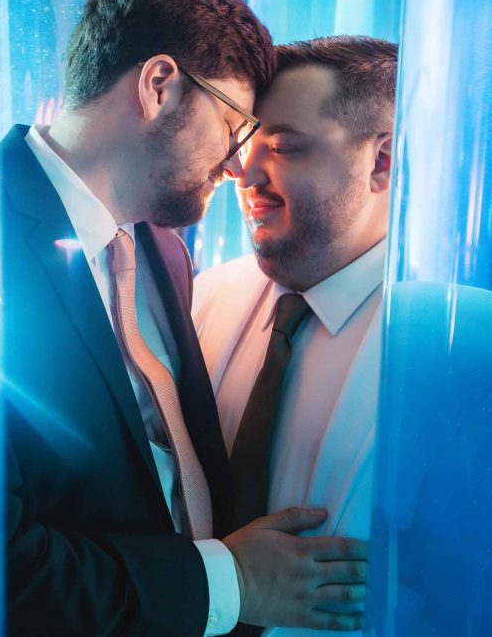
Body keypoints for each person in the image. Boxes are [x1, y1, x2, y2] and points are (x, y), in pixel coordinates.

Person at [0, 0, 367, 636]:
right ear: (159, 85)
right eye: (234, 124)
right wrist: (230, 580)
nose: (237, 163)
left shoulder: (166, 253)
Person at [192, 35, 398, 636]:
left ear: (380, 162)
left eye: (283, 146)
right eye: (247, 143)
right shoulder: (201, 298)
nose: (244, 171)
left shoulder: (443, 347)